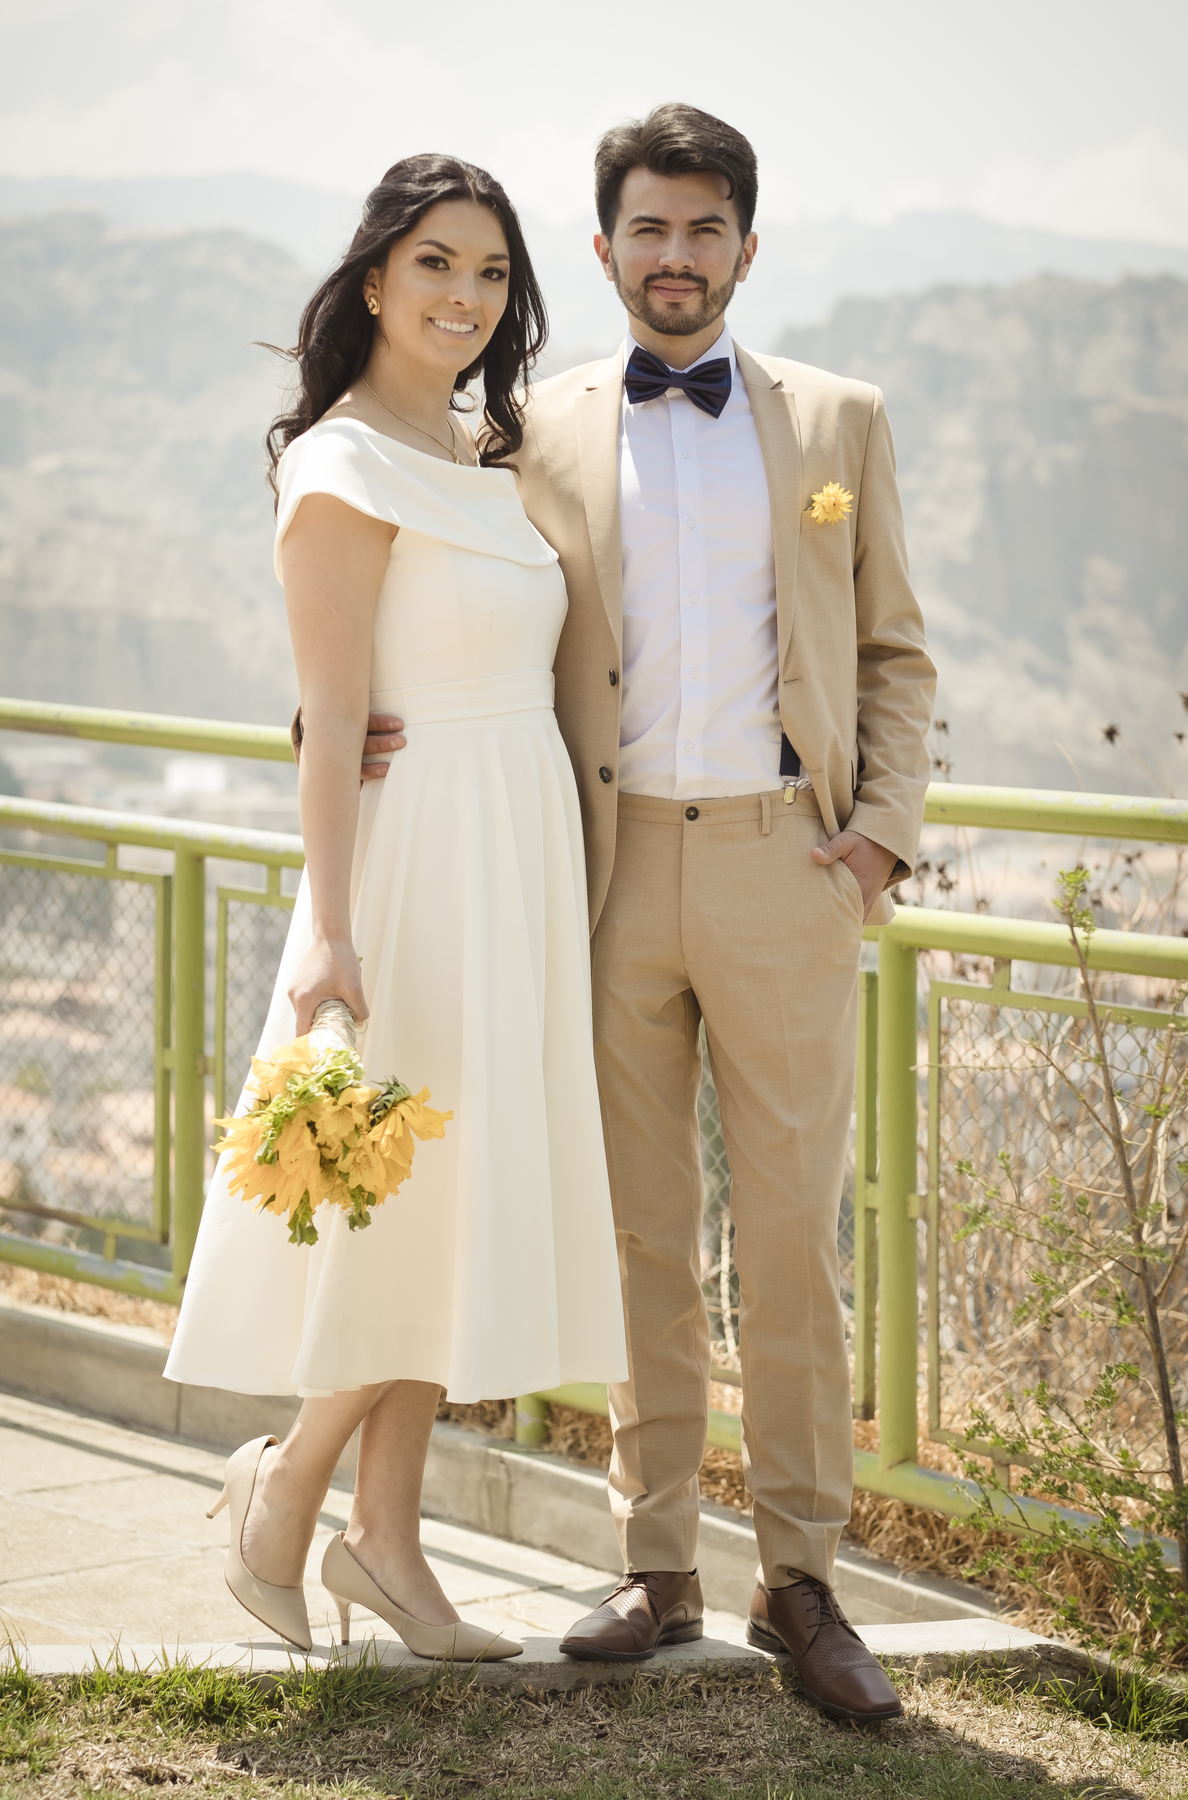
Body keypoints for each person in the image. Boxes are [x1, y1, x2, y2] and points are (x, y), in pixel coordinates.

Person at [352, 105, 936, 1722]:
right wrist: (338, 717)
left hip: (783, 865)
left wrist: (878, 837)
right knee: (638, 1241)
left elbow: (896, 648)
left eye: (705, 229)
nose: (676, 257)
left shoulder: (841, 422)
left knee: (793, 1244)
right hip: (594, 871)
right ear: (604, 252)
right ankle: (655, 1559)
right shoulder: (525, 425)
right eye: (648, 231)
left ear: (747, 246)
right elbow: (416, 584)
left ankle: (804, 1582)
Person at [164, 154, 628, 1660]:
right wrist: (336, 930)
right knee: (403, 1214)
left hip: (520, 855)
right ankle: (297, 1490)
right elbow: (332, 706)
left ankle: (381, 1539)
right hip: (413, 860)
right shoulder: (342, 464)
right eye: (437, 263)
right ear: (373, 277)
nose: (466, 296)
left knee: (462, 1210)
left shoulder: (483, 459)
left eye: (492, 273)